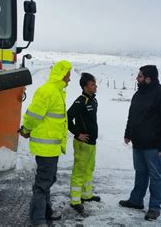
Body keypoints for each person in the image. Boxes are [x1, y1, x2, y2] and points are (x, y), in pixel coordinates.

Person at [119, 65, 161, 221]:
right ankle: (136, 200)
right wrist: (128, 132)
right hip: (138, 143)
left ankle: (154, 207)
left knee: (156, 176)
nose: (137, 78)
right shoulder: (138, 94)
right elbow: (132, 115)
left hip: (155, 146)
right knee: (140, 173)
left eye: (140, 76)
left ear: (149, 78)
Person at [19, 60, 72, 226]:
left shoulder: (57, 91)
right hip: (45, 147)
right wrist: (26, 130)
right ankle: (38, 218)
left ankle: (46, 212)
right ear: (62, 74)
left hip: (52, 147)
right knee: (42, 184)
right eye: (68, 75)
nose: (69, 79)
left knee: (47, 180)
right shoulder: (48, 91)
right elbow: (33, 115)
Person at [67, 73, 100, 214]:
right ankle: (75, 200)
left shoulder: (93, 100)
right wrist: (77, 133)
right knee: (79, 171)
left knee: (89, 169)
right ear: (85, 87)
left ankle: (86, 195)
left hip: (91, 143)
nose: (95, 86)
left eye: (95, 84)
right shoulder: (81, 101)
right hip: (82, 143)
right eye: (92, 84)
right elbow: (67, 117)